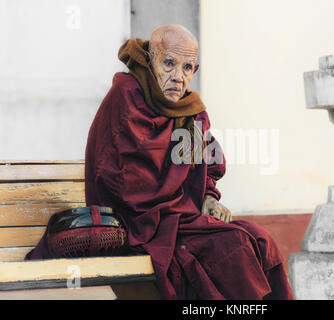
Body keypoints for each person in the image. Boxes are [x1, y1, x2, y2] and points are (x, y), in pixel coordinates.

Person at [31, 24, 293, 300]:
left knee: (261, 240)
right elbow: (120, 183)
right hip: (138, 225)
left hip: (182, 219)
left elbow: (207, 163)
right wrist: (178, 208)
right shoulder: (127, 98)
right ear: (150, 59)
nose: (178, 77)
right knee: (231, 247)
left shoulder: (190, 111)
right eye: (169, 64)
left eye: (187, 68)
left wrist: (208, 197)